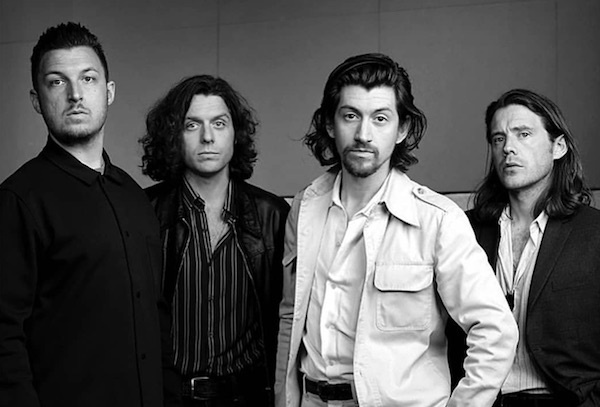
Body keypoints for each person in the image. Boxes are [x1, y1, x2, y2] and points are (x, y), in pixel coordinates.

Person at [274, 53, 519, 407]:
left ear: (402, 129)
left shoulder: (438, 220)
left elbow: (496, 331)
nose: (363, 134)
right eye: (350, 116)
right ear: (329, 123)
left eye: (380, 118)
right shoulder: (305, 207)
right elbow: (290, 316)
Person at [0, 22, 170, 407]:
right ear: (36, 99)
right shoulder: (18, 200)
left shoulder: (134, 197)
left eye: (88, 79)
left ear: (108, 92)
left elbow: (156, 316)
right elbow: (4, 337)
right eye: (57, 82)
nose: (75, 94)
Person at [140, 74, 289, 406]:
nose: (207, 137)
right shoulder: (144, 212)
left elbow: (288, 322)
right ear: (174, 136)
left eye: (219, 124)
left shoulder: (273, 216)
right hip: (168, 397)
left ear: (236, 134)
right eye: (192, 125)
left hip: (250, 398)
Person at [449, 88, 600, 407]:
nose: (508, 147)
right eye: (498, 138)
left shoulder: (594, 232)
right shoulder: (461, 229)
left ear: (558, 147)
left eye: (523, 134)